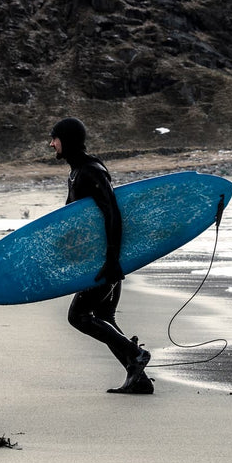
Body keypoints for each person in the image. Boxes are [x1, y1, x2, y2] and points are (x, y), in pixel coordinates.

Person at [49, 117, 153, 394]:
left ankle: (136, 354)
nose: (51, 144)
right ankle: (138, 379)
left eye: (55, 138)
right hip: (98, 258)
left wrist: (112, 259)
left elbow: (112, 212)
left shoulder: (90, 171)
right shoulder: (76, 172)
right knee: (104, 316)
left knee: (78, 316)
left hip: (104, 261)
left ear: (67, 140)